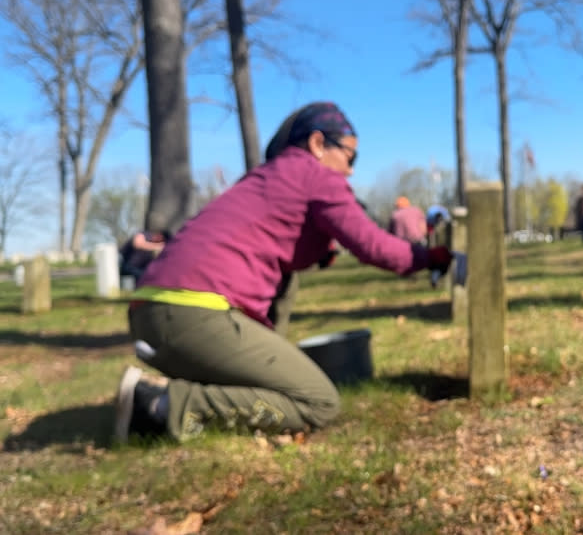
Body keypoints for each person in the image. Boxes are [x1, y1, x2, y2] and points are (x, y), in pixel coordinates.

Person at [115, 101, 453, 443]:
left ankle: (178, 393)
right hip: (195, 312)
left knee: (281, 344)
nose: (350, 172)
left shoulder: (266, 177)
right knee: (317, 402)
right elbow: (374, 245)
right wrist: (436, 257)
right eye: (351, 157)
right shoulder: (316, 175)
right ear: (318, 144)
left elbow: (274, 249)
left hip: (150, 309)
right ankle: (159, 407)